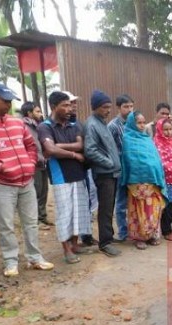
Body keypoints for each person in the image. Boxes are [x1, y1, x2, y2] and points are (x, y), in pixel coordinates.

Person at [0, 82, 54, 276]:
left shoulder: (16, 122)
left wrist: (30, 164)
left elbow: (31, 145)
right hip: (2, 186)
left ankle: (35, 258)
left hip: (26, 182)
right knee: (6, 225)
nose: (8, 104)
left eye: (10, 101)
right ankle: (10, 261)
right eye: (4, 101)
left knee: (31, 222)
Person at [38, 91, 91, 264]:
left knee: (79, 210)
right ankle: (66, 249)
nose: (69, 108)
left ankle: (75, 244)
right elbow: (51, 151)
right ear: (54, 107)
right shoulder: (45, 127)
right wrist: (75, 155)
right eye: (65, 105)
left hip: (78, 174)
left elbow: (80, 144)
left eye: (70, 105)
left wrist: (59, 146)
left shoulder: (73, 125)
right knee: (64, 213)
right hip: (61, 176)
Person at [120, 112, 167, 249]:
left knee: (153, 209)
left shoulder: (147, 139)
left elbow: (155, 160)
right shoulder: (127, 139)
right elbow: (129, 160)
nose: (142, 125)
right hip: (136, 183)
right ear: (131, 123)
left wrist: (156, 173)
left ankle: (153, 234)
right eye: (139, 123)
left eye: (143, 122)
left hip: (152, 181)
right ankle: (139, 237)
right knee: (138, 210)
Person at [83, 90, 122, 257]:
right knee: (105, 208)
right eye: (105, 107)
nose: (108, 110)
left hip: (111, 173)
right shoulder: (92, 125)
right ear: (96, 107)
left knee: (110, 206)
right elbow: (90, 150)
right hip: (104, 173)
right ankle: (105, 242)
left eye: (109, 107)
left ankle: (109, 237)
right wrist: (109, 163)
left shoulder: (101, 123)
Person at [64, 90, 98, 247]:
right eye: (70, 103)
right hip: (69, 172)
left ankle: (86, 235)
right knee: (71, 207)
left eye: (75, 102)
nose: (74, 106)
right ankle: (73, 241)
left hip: (83, 169)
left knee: (87, 202)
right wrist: (76, 152)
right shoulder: (64, 125)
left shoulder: (78, 122)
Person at [107, 94, 134, 243]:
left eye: (131, 106)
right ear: (119, 108)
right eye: (126, 107)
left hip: (134, 170)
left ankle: (135, 230)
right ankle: (123, 233)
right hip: (120, 170)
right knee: (121, 202)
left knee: (134, 202)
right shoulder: (113, 126)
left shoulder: (135, 123)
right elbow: (109, 149)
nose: (129, 110)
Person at [20, 101, 51, 229]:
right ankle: (36, 220)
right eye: (37, 111)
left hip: (43, 162)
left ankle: (42, 217)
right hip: (33, 164)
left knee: (44, 190)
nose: (40, 114)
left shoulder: (39, 126)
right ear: (29, 113)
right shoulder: (24, 126)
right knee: (36, 192)